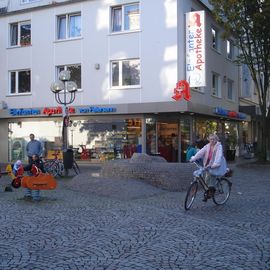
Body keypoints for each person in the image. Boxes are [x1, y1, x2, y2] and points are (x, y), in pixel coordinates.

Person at [190, 134, 227, 201]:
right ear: (208, 140)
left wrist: (216, 164)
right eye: (211, 139)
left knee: (212, 177)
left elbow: (218, 156)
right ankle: (208, 191)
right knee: (206, 178)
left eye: (214, 139)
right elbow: (200, 152)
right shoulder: (207, 146)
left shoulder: (219, 146)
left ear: (216, 140)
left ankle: (211, 192)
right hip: (209, 163)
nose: (212, 140)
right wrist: (194, 158)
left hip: (217, 164)